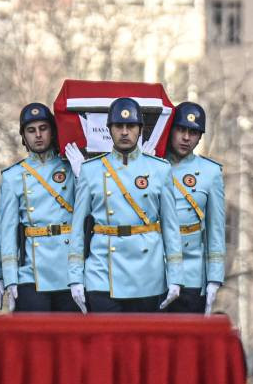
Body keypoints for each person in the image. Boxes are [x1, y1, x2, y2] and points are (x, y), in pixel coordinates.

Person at [67, 97, 182, 313]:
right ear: (109, 130)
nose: (125, 132)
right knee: (107, 343)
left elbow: (170, 227)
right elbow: (77, 227)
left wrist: (175, 276)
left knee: (142, 344)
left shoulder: (160, 169)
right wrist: (75, 277)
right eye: (119, 126)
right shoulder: (91, 170)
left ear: (140, 130)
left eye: (131, 126)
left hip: (148, 272)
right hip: (102, 270)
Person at [0, 103, 80, 312]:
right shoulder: (13, 176)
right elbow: (5, 230)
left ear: (53, 131)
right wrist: (3, 274)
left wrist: (82, 175)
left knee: (70, 341)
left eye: (43, 128)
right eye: (31, 131)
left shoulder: (72, 166)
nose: (38, 135)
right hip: (31, 271)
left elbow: (91, 209)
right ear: (24, 137)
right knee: (33, 339)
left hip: (70, 267)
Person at [164, 101, 226, 314]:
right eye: (181, 130)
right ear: (171, 131)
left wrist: (214, 279)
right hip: (155, 269)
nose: (186, 138)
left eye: (193, 132)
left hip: (191, 271)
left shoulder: (210, 172)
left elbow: (215, 230)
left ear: (200, 137)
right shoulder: (153, 166)